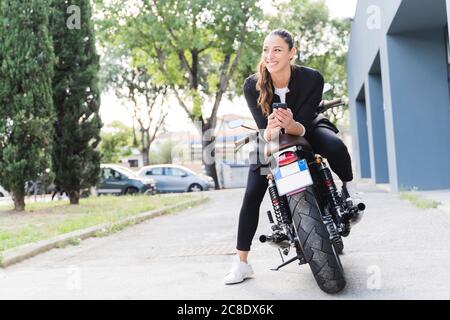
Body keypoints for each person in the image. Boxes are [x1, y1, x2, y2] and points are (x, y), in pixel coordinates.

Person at [224, 28, 354, 285]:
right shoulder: (252, 85)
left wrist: (294, 126)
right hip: (272, 137)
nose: (269, 56)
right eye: (266, 50)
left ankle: (348, 190)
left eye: (277, 50)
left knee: (335, 146)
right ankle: (241, 262)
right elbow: (263, 128)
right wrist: (272, 130)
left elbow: (304, 121)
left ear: (292, 53)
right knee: (251, 194)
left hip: (306, 126)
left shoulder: (312, 78)